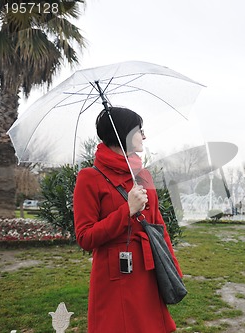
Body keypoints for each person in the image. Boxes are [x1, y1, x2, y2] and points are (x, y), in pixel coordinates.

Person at [73, 107, 182, 333]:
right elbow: (85, 237)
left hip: (149, 271)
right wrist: (127, 210)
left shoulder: (143, 175)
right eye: (139, 130)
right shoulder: (89, 178)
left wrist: (172, 268)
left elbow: (157, 227)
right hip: (114, 277)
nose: (144, 136)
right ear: (123, 133)